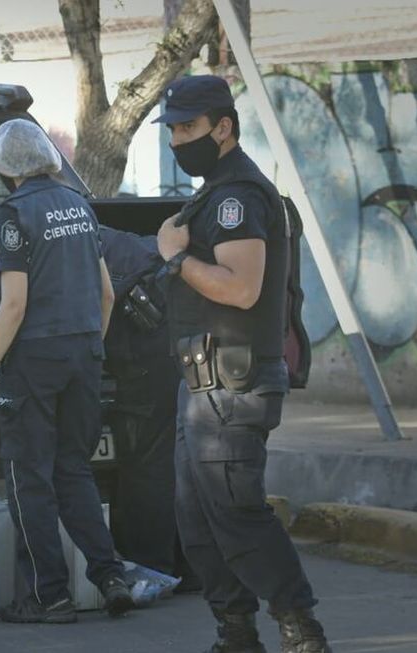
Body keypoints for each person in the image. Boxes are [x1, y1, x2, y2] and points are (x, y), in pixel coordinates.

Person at [153, 75, 331, 653]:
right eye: (174, 129)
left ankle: (301, 629)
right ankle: (236, 633)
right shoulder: (215, 191)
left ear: (223, 127)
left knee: (236, 513)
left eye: (189, 128)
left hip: (232, 386)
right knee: (197, 521)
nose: (179, 141)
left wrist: (177, 259)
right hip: (203, 385)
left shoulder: (238, 196)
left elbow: (243, 287)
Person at [0, 118, 135, 624]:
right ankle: (110, 575)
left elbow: (13, 304)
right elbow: (106, 294)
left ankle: (50, 595)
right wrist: (88, 350)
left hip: (33, 361)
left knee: (29, 478)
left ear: (4, 168)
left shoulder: (15, 215)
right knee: (74, 471)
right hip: (85, 352)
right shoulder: (79, 206)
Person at [99, 225, 199, 591]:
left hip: (146, 353)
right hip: (174, 345)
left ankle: (151, 567)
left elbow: (104, 301)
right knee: (174, 461)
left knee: (146, 466)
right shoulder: (113, 239)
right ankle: (191, 569)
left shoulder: (51, 239)